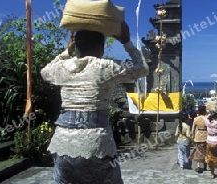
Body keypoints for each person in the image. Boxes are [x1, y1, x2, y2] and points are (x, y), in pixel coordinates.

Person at [41, 22, 149, 184]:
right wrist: (126, 41)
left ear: (76, 45)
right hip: (96, 144)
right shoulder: (106, 67)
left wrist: (67, 51)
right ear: (101, 48)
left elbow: (45, 72)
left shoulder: (64, 67)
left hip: (63, 143)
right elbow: (142, 69)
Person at [190, 105, 208, 173]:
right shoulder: (207, 118)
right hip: (206, 135)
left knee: (198, 151)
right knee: (206, 152)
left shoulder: (196, 119)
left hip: (198, 136)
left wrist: (192, 137)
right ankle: (205, 166)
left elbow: (193, 129)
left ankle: (198, 166)